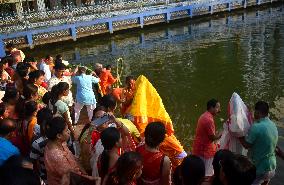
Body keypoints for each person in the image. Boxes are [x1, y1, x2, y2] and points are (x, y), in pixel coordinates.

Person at [239, 101, 278, 185]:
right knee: (265, 181)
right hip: (272, 166)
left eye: (254, 111)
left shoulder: (256, 127)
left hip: (260, 168)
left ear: (257, 112)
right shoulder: (273, 125)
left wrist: (239, 135)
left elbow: (246, 145)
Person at [44, 116, 88, 185]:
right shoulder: (56, 156)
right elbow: (71, 175)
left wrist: (84, 173)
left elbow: (72, 157)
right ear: (59, 135)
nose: (69, 132)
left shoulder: (60, 142)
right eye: (67, 130)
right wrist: (87, 177)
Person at [192, 99, 222, 176]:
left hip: (198, 148)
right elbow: (212, 138)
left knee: (198, 171)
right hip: (205, 151)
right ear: (211, 108)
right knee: (207, 173)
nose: (219, 110)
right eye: (217, 108)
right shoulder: (209, 120)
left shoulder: (204, 115)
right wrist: (221, 134)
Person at [30, 108, 53, 184]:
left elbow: (33, 160)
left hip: (45, 175)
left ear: (38, 122)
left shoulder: (36, 142)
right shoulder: (59, 136)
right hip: (61, 173)